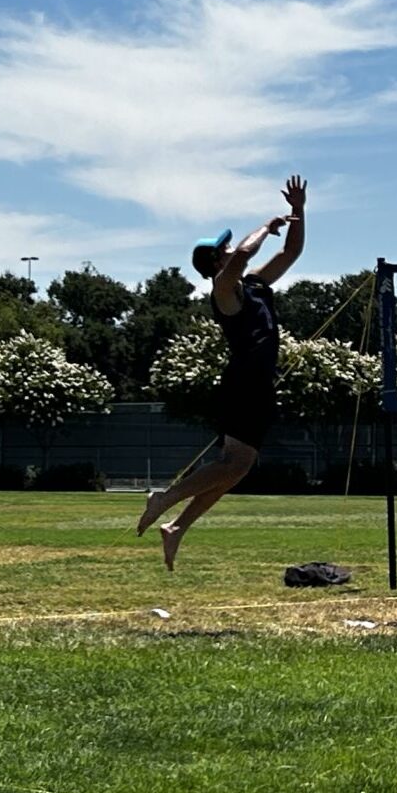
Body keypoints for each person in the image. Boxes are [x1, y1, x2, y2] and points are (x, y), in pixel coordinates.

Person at [136, 174, 308, 570]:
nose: (231, 249)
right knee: (234, 463)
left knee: (239, 466)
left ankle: (176, 527)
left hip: (258, 386)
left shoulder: (255, 285)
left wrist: (299, 211)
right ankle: (164, 499)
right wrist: (266, 225)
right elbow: (242, 257)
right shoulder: (224, 291)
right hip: (243, 384)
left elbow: (291, 253)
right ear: (217, 262)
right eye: (225, 249)